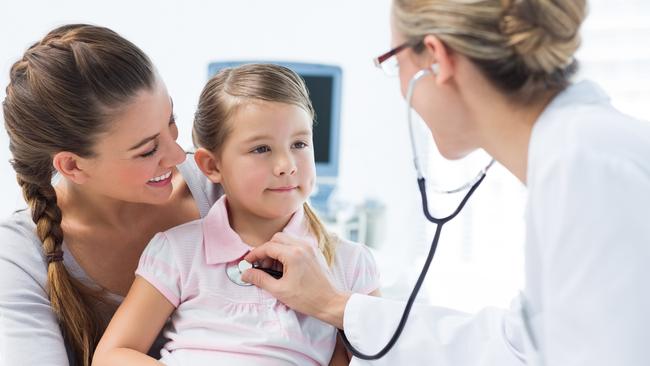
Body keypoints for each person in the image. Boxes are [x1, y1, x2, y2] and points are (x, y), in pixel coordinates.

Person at [241, 0, 650, 365]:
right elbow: (517, 346)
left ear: (436, 59)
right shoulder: (575, 154)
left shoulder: (586, 166)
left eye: (395, 61)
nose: (401, 86)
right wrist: (336, 305)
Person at [91, 63, 380, 366]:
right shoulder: (178, 251)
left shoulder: (351, 264)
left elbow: (372, 357)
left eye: (299, 144)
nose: (286, 164)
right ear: (212, 166)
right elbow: (112, 356)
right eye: (261, 149)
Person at [1, 24, 222, 366]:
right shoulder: (20, 258)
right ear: (73, 166)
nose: (179, 156)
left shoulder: (221, 189)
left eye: (171, 120)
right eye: (148, 150)